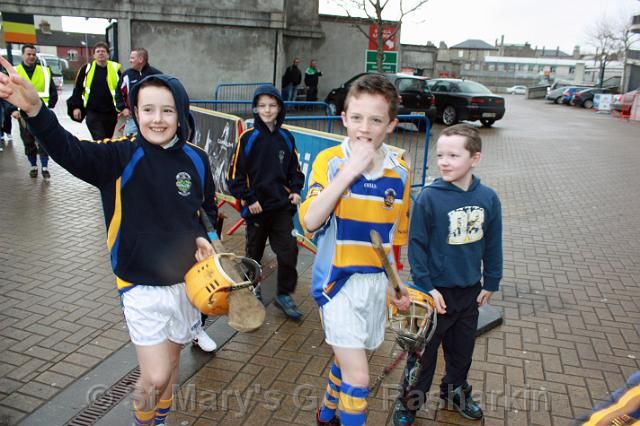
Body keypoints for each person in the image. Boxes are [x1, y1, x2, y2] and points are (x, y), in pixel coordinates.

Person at [0, 57, 219, 426]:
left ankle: (158, 421)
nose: (157, 119)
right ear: (135, 112)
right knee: (155, 376)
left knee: (171, 367)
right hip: (138, 285)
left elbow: (205, 209)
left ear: (181, 113)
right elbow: (70, 150)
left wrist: (206, 237)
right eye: (148, 109)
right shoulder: (118, 155)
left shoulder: (197, 159)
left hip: (187, 284)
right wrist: (36, 110)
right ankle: (141, 422)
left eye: (167, 110)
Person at [298, 74, 411, 425]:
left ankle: (326, 412)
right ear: (344, 118)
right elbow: (310, 221)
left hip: (374, 285)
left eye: (376, 120)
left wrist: (396, 285)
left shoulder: (400, 173)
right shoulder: (331, 161)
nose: (364, 128)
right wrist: (349, 172)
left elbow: (391, 239)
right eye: (357, 117)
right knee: (359, 378)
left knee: (349, 360)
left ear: (390, 125)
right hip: (336, 284)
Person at [392, 123, 503, 425]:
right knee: (422, 356)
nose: (444, 161)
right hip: (433, 296)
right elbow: (417, 247)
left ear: (475, 158)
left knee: (461, 354)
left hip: (469, 294)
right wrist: (428, 287)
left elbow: (493, 242)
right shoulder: (428, 198)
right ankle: (409, 402)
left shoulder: (488, 198)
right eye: (440, 155)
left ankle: (455, 392)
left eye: (453, 155)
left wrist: (492, 281)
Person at [227, 84, 305, 320]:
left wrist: (295, 190)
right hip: (257, 209)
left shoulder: (286, 137)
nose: (267, 110)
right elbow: (234, 175)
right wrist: (249, 198)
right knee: (254, 254)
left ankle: (283, 294)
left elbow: (294, 170)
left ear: (280, 108)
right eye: (262, 106)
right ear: (255, 108)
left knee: (289, 251)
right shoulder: (248, 138)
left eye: (272, 105)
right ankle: (253, 288)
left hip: (281, 207)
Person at [8, 45, 58, 178]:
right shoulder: (15, 72)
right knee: (28, 141)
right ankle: (33, 166)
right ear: (23, 55)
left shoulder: (45, 71)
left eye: (33, 54)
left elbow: (52, 90)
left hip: (42, 112)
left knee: (44, 141)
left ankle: (45, 167)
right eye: (28, 54)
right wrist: (13, 110)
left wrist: (50, 106)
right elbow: (9, 92)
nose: (31, 57)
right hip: (23, 114)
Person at [69, 41, 122, 140]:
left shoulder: (115, 69)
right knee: (99, 138)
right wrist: (76, 107)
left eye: (103, 51)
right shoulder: (86, 69)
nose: (100, 53)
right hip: (93, 112)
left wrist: (123, 107)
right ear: (94, 55)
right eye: (98, 51)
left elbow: (121, 89)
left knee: (107, 140)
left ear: (108, 55)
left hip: (111, 112)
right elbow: (78, 89)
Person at [115, 47, 162, 137]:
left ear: (140, 59)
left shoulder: (156, 75)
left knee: (152, 139)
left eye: (132, 58)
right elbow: (118, 93)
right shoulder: (126, 75)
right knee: (128, 140)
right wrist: (123, 108)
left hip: (153, 117)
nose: (130, 61)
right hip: (133, 117)